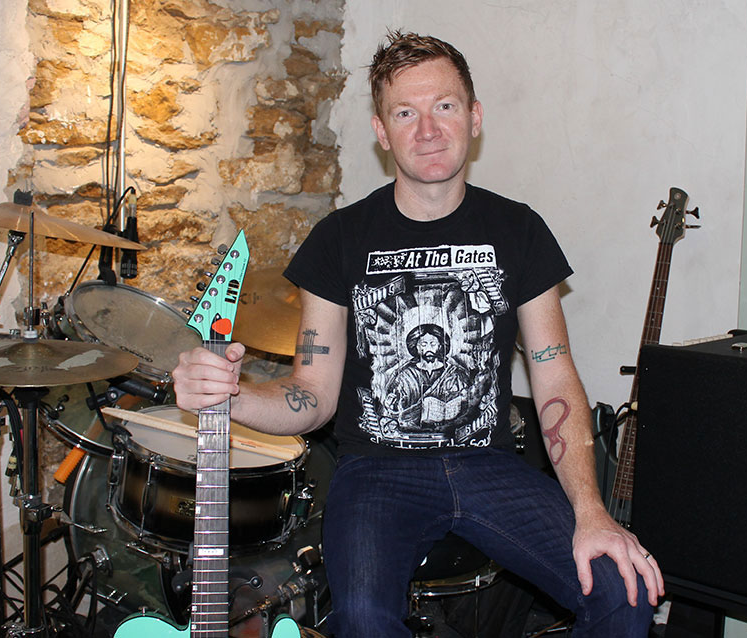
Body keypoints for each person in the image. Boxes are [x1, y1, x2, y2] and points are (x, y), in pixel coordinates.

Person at [173, 30, 663, 636]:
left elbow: (555, 373)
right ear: (381, 132)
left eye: (445, 106)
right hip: (376, 472)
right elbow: (313, 395)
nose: (427, 129)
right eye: (406, 112)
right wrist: (230, 394)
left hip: (488, 466)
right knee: (362, 619)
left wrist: (593, 513)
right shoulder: (339, 240)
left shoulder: (519, 230)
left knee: (623, 590)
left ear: (474, 117)